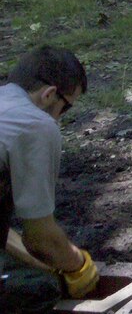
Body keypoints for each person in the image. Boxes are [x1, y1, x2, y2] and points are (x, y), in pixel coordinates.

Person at [1, 46, 99, 313]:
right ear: (49, 94)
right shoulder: (35, 125)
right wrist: (78, 265)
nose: (60, 119)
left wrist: (47, 261)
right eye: (65, 108)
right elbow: (40, 238)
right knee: (39, 288)